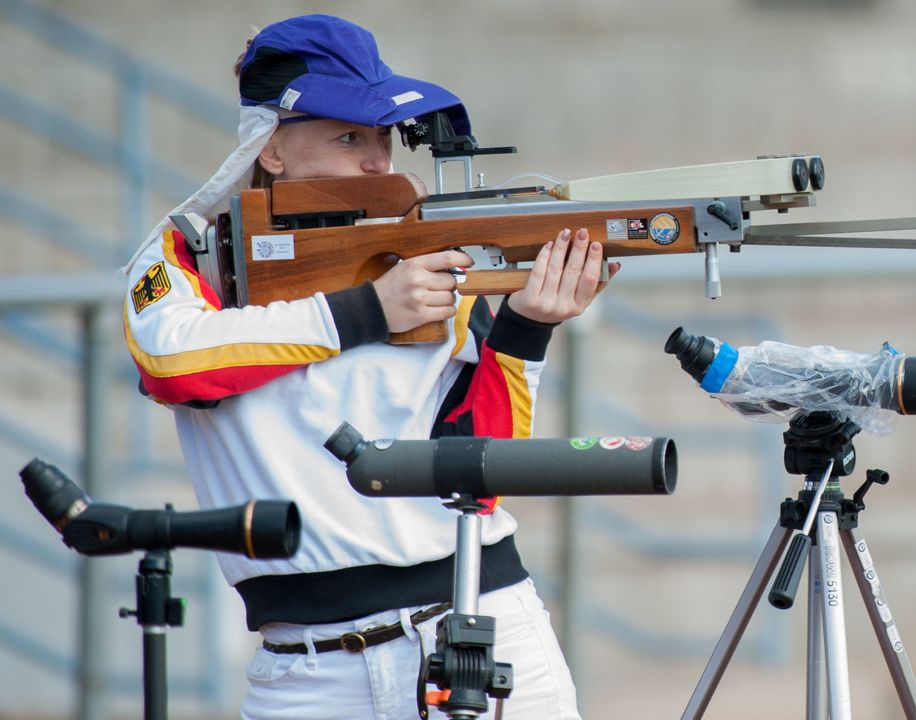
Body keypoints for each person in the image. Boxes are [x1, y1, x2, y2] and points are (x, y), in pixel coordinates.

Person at [121, 14, 612, 720]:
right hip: (305, 671)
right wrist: (366, 311)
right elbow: (175, 365)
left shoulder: (422, 245)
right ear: (273, 149)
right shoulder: (190, 256)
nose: (377, 162)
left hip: (478, 622)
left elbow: (478, 460)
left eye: (381, 139)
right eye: (349, 137)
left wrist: (526, 330)